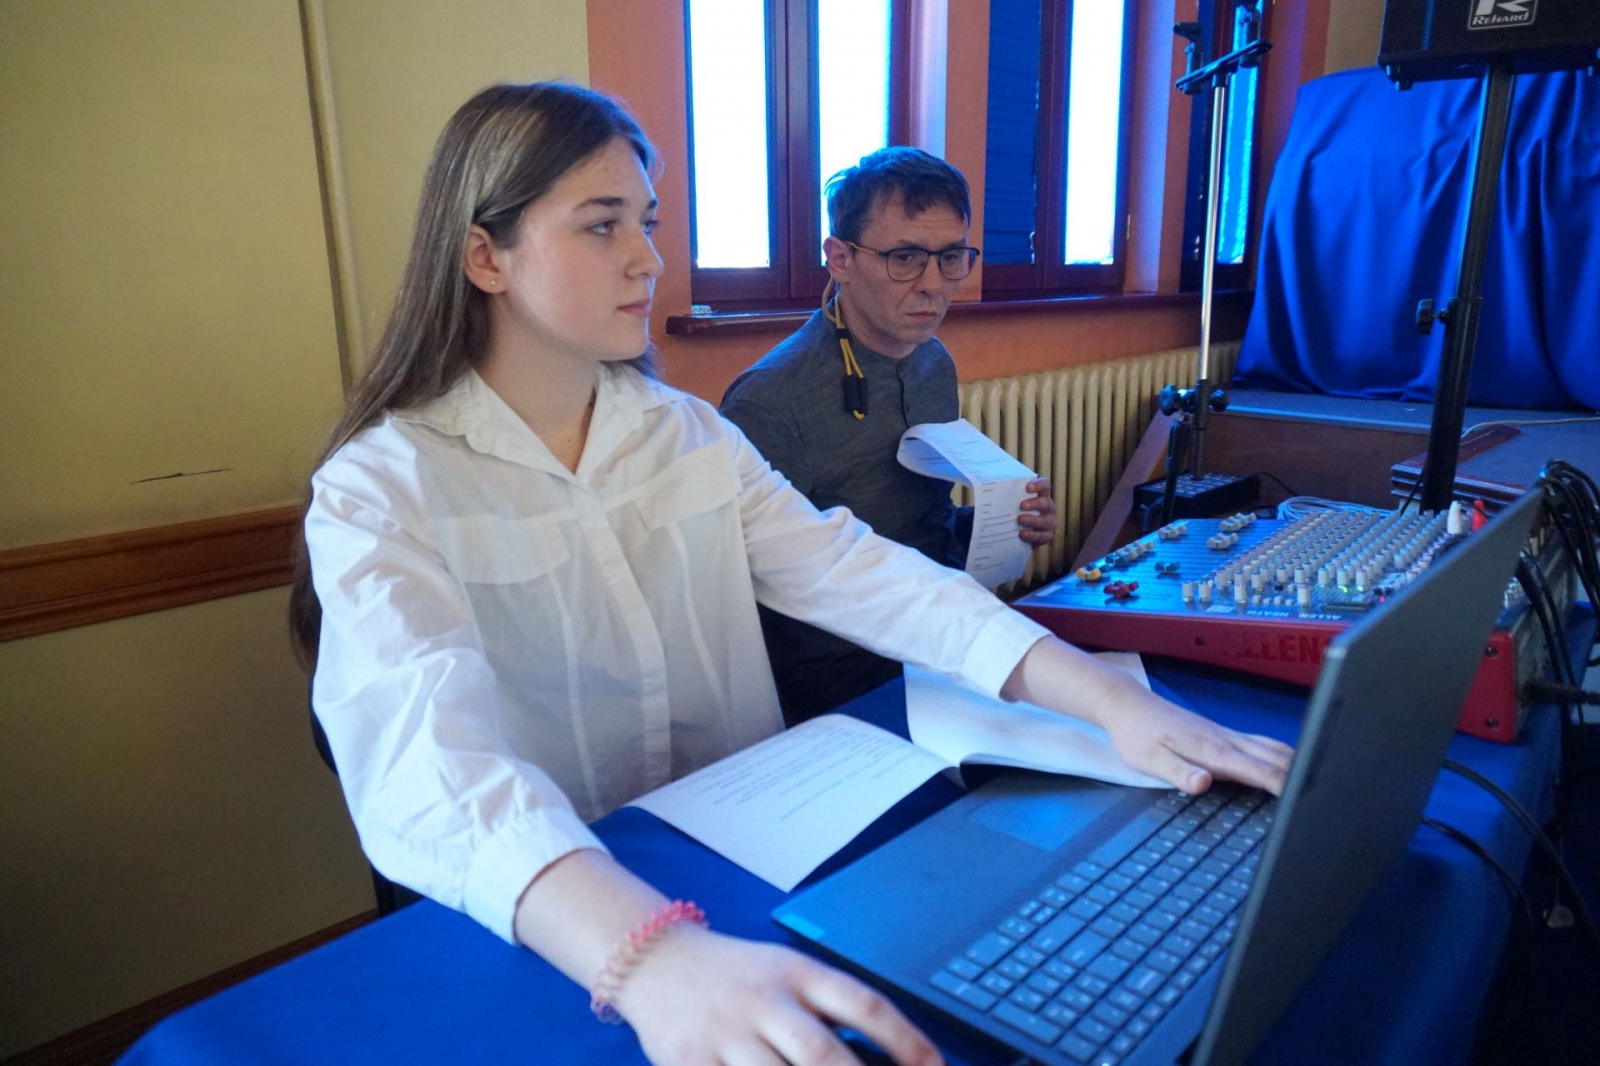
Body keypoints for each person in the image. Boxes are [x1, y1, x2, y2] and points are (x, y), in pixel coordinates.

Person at [289, 82, 1293, 1066]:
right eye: (602, 226)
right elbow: (427, 757)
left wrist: (1111, 702)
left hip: (740, 852)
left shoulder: (686, 434)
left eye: (648, 222)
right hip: (560, 908)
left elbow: (860, 572)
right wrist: (651, 956)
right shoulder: (381, 486)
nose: (649, 259)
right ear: (485, 256)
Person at [721, 148, 1054, 723]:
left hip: (942, 634)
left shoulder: (933, 362)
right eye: (905, 258)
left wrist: (1000, 524)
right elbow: (748, 590)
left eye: (951, 257)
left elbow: (918, 522)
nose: (934, 286)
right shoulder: (768, 402)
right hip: (842, 683)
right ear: (840, 259)